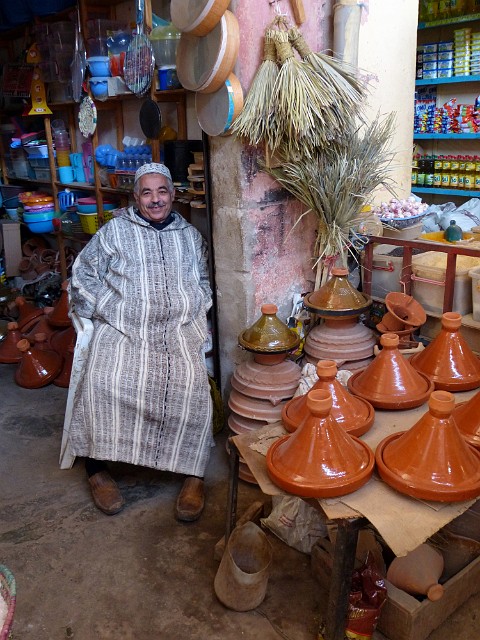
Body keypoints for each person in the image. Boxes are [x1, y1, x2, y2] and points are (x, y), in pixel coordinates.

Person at [67, 163, 213, 521]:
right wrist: (106, 306)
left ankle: (194, 474)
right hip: (123, 327)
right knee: (103, 378)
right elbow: (83, 273)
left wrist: (194, 306)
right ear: (135, 198)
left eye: (161, 191)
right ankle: (96, 469)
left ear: (172, 195)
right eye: (146, 193)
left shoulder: (190, 237)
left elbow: (206, 280)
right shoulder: (114, 232)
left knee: (193, 385)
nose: (155, 199)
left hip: (178, 328)